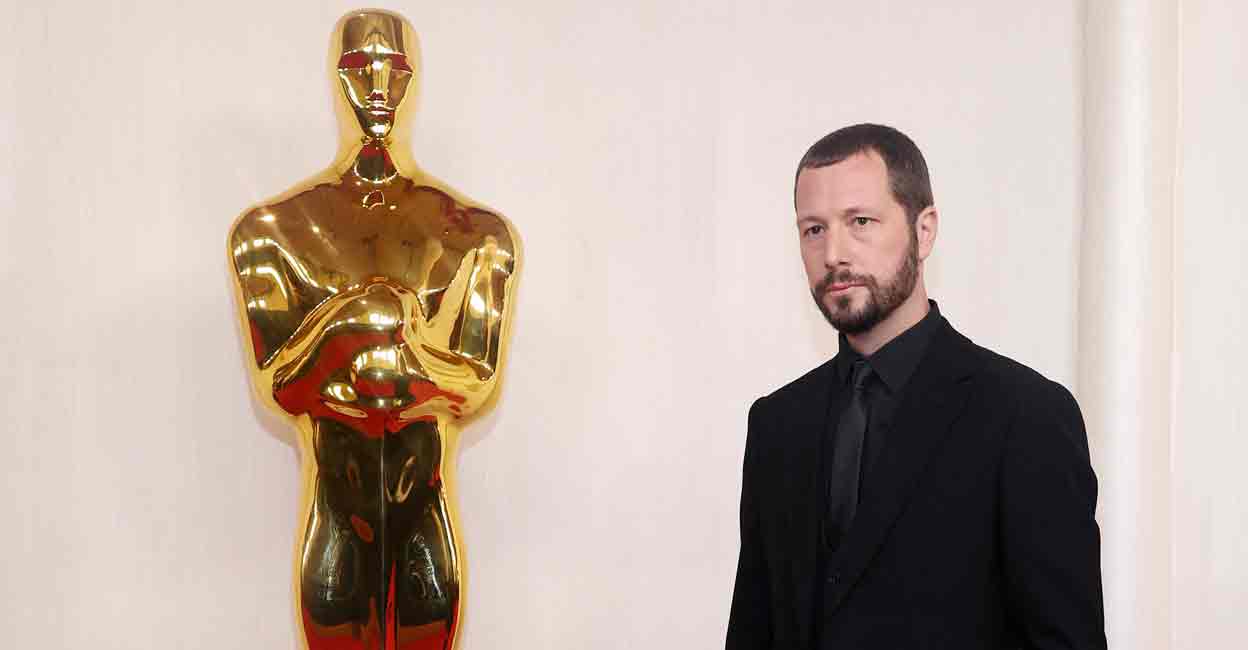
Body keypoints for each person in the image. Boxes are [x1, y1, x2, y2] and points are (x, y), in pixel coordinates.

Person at [725, 124, 1106, 649]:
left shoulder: (1025, 416)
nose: (834, 252)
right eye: (813, 229)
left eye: (860, 221)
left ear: (924, 231)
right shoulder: (777, 424)